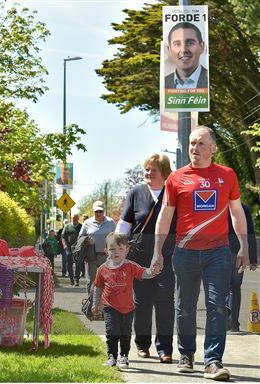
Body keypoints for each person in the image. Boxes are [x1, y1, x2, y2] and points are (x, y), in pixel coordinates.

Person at [152, 126, 249, 381]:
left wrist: (244, 246)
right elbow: (165, 215)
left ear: (213, 148)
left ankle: (213, 361)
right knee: (185, 306)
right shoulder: (176, 178)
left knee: (217, 305)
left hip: (218, 252)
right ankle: (186, 354)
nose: (194, 148)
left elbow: (236, 213)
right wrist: (157, 251)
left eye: (200, 143)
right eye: (192, 143)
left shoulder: (227, 175)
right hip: (185, 253)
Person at [115, 153, 176, 363]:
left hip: (167, 254)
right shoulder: (136, 192)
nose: (148, 173)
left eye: (154, 170)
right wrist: (116, 249)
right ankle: (142, 344)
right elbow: (125, 224)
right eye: (147, 169)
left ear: (164, 172)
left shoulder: (173, 191)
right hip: (140, 256)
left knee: (165, 302)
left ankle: (165, 348)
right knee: (142, 302)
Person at [92, 233, 157, 370]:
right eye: (112, 249)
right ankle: (112, 357)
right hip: (109, 307)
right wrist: (95, 304)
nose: (116, 252)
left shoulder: (130, 266)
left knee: (125, 334)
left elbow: (143, 273)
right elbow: (98, 288)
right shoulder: (102, 269)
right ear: (106, 250)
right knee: (111, 332)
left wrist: (152, 271)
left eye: (120, 249)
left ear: (127, 250)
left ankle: (124, 356)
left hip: (128, 308)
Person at [226, 203, 257, 332]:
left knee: (219, 287)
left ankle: (222, 320)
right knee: (235, 288)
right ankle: (233, 324)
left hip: (218, 251)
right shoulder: (243, 208)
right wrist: (253, 258)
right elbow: (250, 233)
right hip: (238, 252)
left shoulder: (217, 206)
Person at [79, 201, 116, 293]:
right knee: (90, 282)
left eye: (100, 211)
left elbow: (116, 237)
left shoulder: (111, 222)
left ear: (104, 212)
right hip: (91, 256)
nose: (98, 213)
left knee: (107, 281)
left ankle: (104, 304)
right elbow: (80, 238)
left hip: (106, 257)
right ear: (93, 211)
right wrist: (87, 240)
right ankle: (91, 304)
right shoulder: (87, 222)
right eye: (96, 211)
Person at [164, 22, 208, 89]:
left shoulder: (211, 79)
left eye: (190, 43)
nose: (183, 50)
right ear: (169, 50)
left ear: (201, 47)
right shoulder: (164, 82)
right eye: (177, 44)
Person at [63, 214, 84, 286]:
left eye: (75, 218)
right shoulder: (67, 226)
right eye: (73, 218)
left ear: (78, 219)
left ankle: (76, 280)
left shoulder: (81, 227)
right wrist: (65, 245)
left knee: (78, 264)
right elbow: (63, 237)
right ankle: (71, 279)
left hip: (78, 249)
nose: (74, 220)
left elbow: (84, 236)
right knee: (69, 265)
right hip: (69, 249)